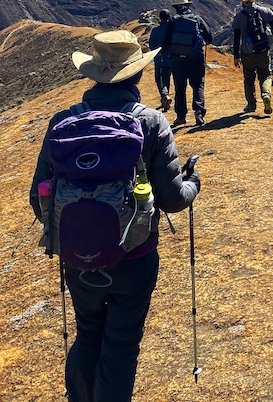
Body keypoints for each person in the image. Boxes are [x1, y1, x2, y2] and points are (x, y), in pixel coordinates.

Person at [29, 29, 201, 402]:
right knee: (121, 343)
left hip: (78, 258)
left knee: (88, 332)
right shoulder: (151, 123)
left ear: (93, 74)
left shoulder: (64, 123)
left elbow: (37, 195)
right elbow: (172, 199)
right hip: (134, 257)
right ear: (139, 74)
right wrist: (194, 184)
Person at [161, 0, 214, 127]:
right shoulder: (197, 19)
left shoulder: (173, 21)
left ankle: (181, 117)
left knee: (180, 88)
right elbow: (209, 37)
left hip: (178, 60)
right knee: (198, 86)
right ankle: (199, 112)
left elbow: (166, 42)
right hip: (196, 59)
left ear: (176, 8)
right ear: (188, 6)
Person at [231, 0, 273, 115]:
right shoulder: (265, 11)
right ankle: (266, 94)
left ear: (242, 1)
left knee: (249, 78)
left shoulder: (239, 17)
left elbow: (236, 38)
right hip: (262, 50)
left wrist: (236, 56)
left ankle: (251, 105)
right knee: (265, 75)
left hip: (246, 52)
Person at [147, 9, 173, 112]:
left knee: (160, 80)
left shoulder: (155, 30)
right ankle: (165, 99)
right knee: (167, 79)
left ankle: (165, 96)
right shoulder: (173, 29)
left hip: (160, 59)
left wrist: (158, 53)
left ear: (160, 18)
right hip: (172, 59)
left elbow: (152, 45)